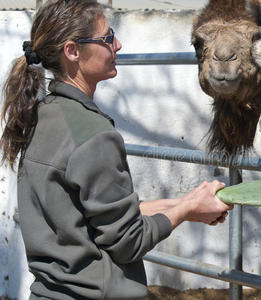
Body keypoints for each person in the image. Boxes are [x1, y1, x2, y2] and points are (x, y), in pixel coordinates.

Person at [0, 0, 233, 299]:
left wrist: (186, 204)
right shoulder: (93, 134)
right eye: (107, 38)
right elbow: (129, 240)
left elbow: (96, 216)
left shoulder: (40, 115)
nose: (118, 44)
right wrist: (186, 210)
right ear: (72, 51)